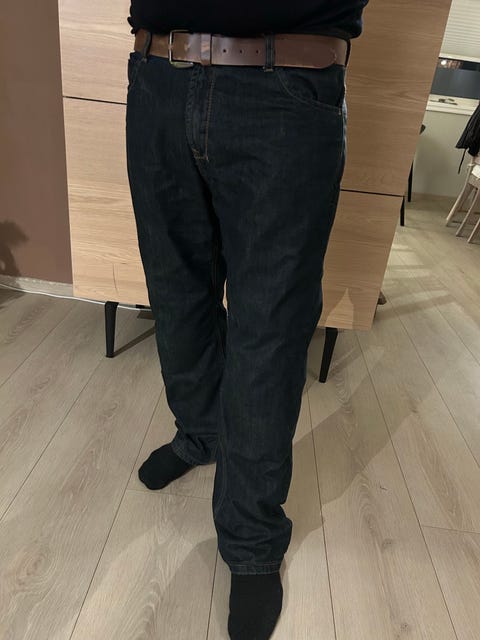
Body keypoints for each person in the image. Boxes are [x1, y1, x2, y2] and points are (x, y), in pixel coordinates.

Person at [125, 2, 369, 638]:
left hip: (286, 83)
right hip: (157, 74)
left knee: (270, 325)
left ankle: (251, 537)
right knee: (176, 292)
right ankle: (202, 432)